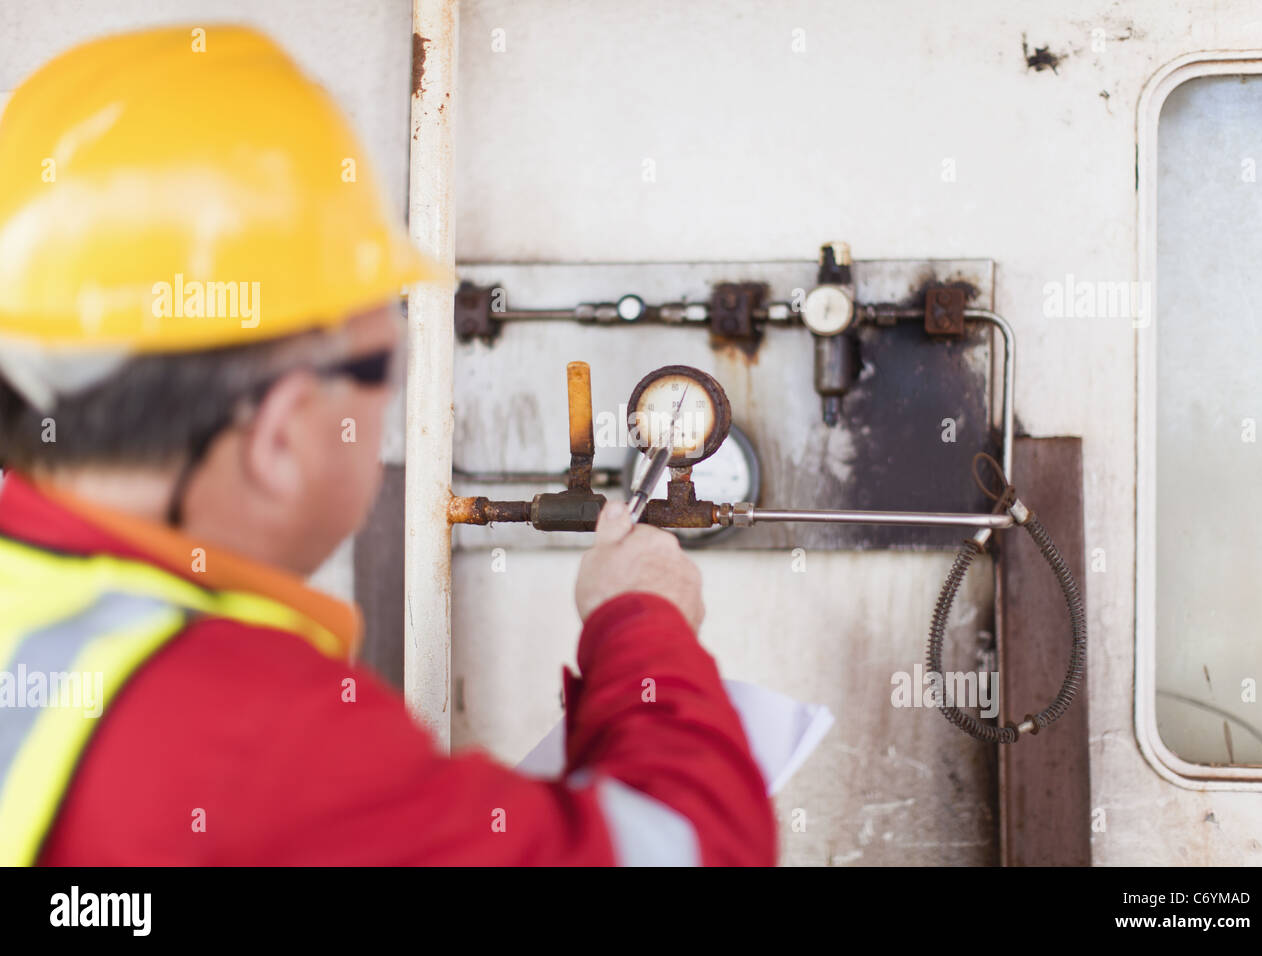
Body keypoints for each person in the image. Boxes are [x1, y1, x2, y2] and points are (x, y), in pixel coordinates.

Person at [0, 25, 775, 866]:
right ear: (282, 432)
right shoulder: (258, 744)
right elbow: (691, 851)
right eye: (388, 364)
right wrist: (644, 625)